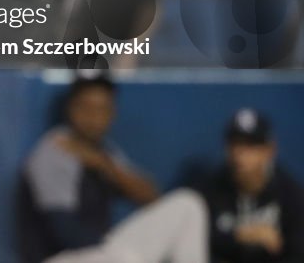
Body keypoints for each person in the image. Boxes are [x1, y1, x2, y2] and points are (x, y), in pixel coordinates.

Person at [18, 75, 209, 263]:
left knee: (188, 205)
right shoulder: (55, 152)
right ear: (71, 108)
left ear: (112, 113)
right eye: (87, 108)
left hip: (98, 253)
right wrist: (113, 248)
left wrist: (106, 165)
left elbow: (151, 196)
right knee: (126, 257)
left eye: (101, 110)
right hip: (61, 257)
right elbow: (64, 231)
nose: (94, 118)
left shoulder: (104, 151)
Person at [196, 108, 304, 262]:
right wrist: (241, 235)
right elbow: (196, 240)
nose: (240, 153)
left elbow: (298, 252)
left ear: (269, 150)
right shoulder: (211, 189)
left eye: (250, 145)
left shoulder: (291, 194)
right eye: (235, 144)